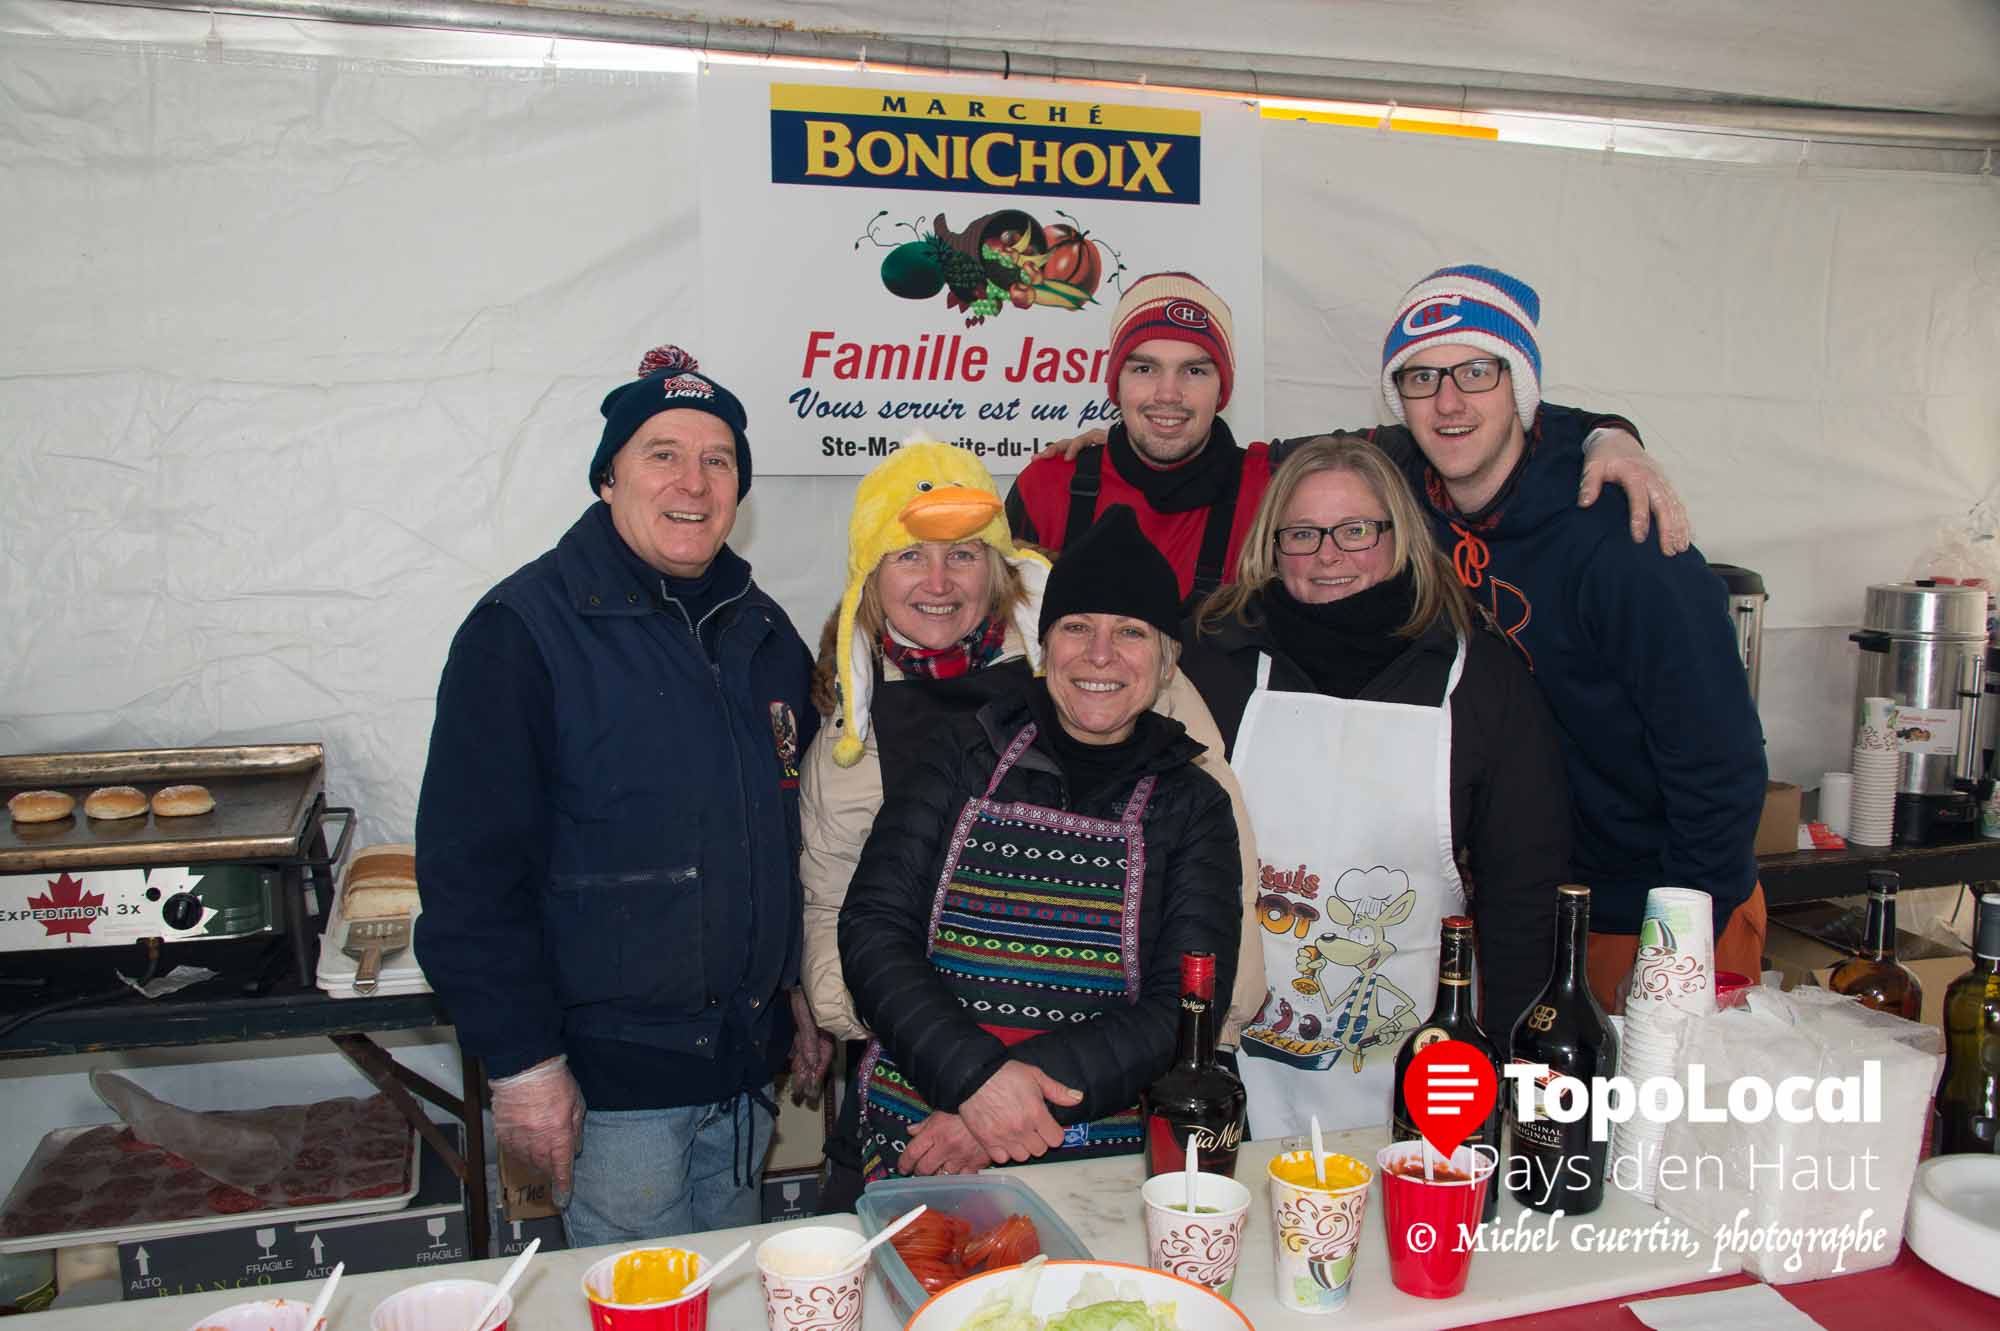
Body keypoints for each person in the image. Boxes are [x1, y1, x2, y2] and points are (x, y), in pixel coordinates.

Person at [413, 345, 824, 1244]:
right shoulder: (522, 632)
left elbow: (788, 833)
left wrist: (798, 982)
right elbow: (469, 877)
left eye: (718, 460)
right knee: (637, 1299)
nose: (693, 481)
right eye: (661, 454)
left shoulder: (765, 635)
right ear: (608, 478)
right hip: (609, 1096)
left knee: (730, 1292)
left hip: (743, 1080)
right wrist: (523, 1063)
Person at [801, 445, 1265, 1196]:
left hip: (1100, 1147)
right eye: (1077, 627)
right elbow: (872, 928)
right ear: (1044, 644)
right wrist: (972, 1078)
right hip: (921, 1121)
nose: (1101, 655)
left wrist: (1002, 1105)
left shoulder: (1194, 802)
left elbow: (1182, 1007)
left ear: (1167, 661)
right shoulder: (959, 754)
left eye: (1132, 632)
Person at [1376, 265, 1768, 1009]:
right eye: (1422, 377)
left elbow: (1721, 762)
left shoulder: (1623, 539)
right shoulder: (1408, 490)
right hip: (1520, 907)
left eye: (1477, 370)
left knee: (1649, 1089)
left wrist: (1676, 944)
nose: (1448, 401)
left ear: (1520, 388)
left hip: (1652, 908)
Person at [1179, 435, 1569, 1136]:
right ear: (1272, 547)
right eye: (1303, 534)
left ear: (1400, 538)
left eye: (1356, 530)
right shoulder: (1218, 663)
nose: (1329, 556)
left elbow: (1525, 897)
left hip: (1424, 1073)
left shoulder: (1479, 679)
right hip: (1238, 1066)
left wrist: (1516, 1071)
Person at [1005, 272, 1690, 608]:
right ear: (1115, 380)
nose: (1166, 395)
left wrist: (1606, 433)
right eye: (1143, 369)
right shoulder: (1050, 486)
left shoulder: (1281, 479)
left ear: (1224, 386)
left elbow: (1462, 423)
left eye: (1194, 370)